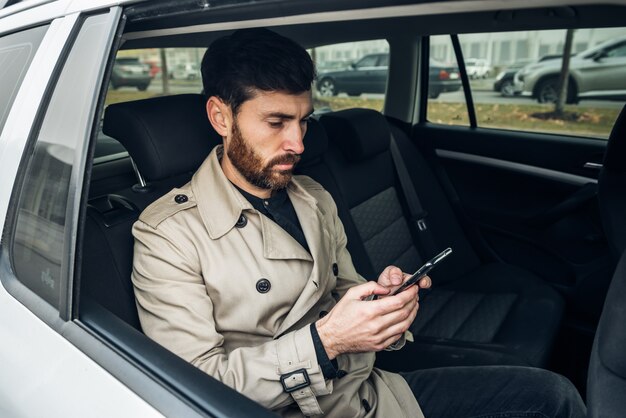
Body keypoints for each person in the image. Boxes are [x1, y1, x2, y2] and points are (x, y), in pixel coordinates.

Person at [131, 28, 586, 417]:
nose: (297, 143)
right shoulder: (167, 235)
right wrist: (327, 341)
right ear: (220, 117)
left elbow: (338, 291)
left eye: (304, 122)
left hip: (366, 392)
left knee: (553, 396)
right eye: (276, 122)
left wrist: (378, 301)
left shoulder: (313, 196)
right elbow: (191, 389)